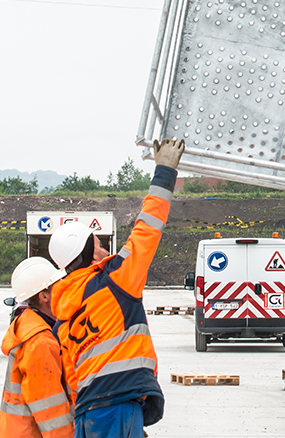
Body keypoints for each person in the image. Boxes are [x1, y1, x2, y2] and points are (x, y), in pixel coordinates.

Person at [50, 139, 184, 438]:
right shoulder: (115, 279)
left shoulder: (62, 319)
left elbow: (72, 378)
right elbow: (147, 228)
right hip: (117, 405)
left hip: (89, 412)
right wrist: (165, 170)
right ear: (89, 254)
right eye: (98, 244)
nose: (104, 248)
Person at [0, 257, 73, 438]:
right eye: (58, 285)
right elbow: (50, 409)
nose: (64, 289)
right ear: (44, 295)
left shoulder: (28, 323)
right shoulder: (40, 342)